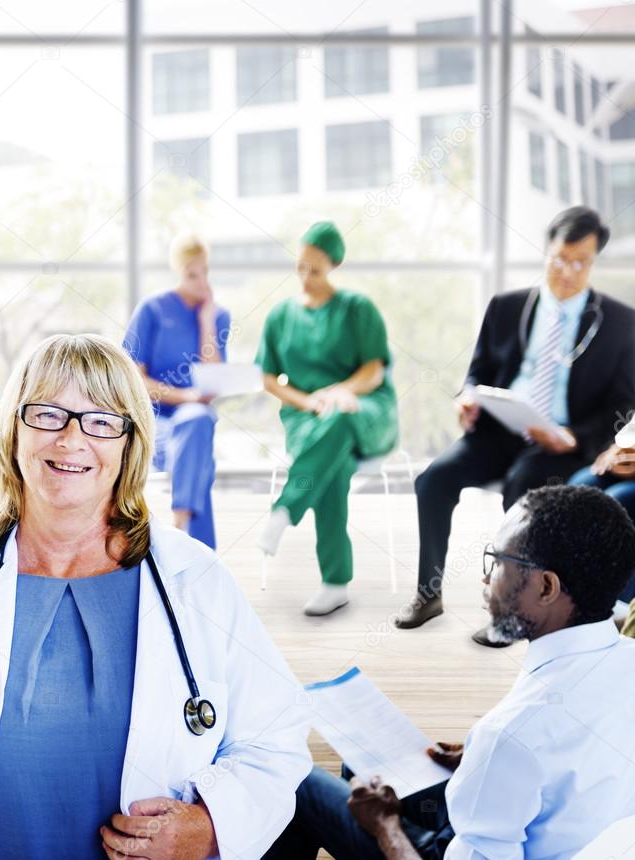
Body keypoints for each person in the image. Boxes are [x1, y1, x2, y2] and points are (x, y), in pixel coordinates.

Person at [0, 334, 312, 859]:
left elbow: (275, 742)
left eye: (100, 421)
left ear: (129, 443)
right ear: (12, 431)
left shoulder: (196, 580)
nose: (71, 440)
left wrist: (210, 826)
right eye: (48, 414)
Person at [272, 484, 635, 859]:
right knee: (361, 765)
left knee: (295, 784)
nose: (485, 579)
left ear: (546, 587)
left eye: (498, 562)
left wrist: (385, 827)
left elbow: (526, 743)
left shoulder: (509, 735)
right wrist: (479, 759)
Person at [400, 207, 635, 643]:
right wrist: (467, 401)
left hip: (558, 442)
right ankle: (428, 593)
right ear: (546, 252)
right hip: (498, 429)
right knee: (433, 480)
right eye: (558, 259)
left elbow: (623, 406)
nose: (566, 271)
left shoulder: (621, 323)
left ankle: (509, 613)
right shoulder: (507, 308)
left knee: (522, 494)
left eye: (579, 262)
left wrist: (573, 438)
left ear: (594, 262)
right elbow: (476, 375)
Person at [255, 221, 398, 616]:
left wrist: (340, 392)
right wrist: (308, 401)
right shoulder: (280, 316)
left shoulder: (357, 309)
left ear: (333, 266)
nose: (305, 277)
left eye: (314, 270)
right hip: (307, 419)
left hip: (365, 410)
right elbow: (268, 378)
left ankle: (285, 509)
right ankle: (335, 584)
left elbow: (374, 372)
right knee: (332, 467)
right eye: (299, 266)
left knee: (339, 418)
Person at [122, 233, 230, 548]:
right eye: (192, 274)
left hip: (194, 424)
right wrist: (186, 397)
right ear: (178, 272)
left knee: (197, 420)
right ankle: (199, 552)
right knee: (200, 461)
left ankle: (180, 525)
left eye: (205, 272)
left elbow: (212, 378)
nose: (201, 281)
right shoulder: (152, 310)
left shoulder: (219, 316)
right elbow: (132, 378)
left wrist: (207, 320)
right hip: (151, 424)